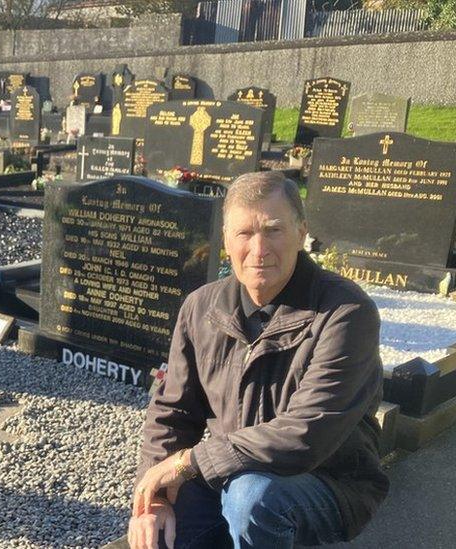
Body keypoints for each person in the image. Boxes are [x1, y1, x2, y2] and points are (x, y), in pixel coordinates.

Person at [127, 171, 389, 549]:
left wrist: (189, 463)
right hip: (228, 472)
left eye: (273, 230)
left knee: (253, 497)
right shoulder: (201, 308)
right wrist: (153, 500)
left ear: (302, 233)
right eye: (245, 233)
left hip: (327, 480)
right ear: (226, 242)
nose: (259, 248)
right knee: (157, 532)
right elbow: (172, 411)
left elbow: (306, 434)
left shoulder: (346, 313)